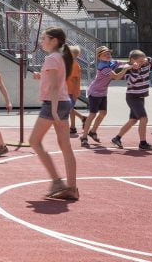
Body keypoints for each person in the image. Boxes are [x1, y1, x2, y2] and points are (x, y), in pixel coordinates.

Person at [29, 28, 78, 200]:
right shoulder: (61, 57)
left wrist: (55, 111)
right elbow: (55, 82)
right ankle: (72, 187)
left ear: (54, 40)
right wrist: (41, 76)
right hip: (64, 102)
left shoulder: (51, 58)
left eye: (44, 38)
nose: (41, 41)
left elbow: (55, 87)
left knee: (34, 141)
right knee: (65, 146)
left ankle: (57, 181)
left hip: (53, 104)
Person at [112, 50, 152, 151]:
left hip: (141, 97)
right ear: (133, 60)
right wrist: (135, 70)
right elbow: (132, 82)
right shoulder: (128, 69)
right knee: (144, 118)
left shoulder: (146, 65)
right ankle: (143, 143)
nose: (143, 62)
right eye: (140, 61)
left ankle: (117, 138)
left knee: (133, 120)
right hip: (133, 97)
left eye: (143, 60)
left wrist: (148, 59)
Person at [80, 45, 123, 148]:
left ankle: (93, 131)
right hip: (94, 92)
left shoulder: (110, 62)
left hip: (103, 92)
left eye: (109, 53)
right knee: (92, 114)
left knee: (103, 113)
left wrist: (131, 63)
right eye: (105, 54)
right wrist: (126, 69)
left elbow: (120, 63)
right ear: (99, 57)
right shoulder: (103, 66)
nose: (108, 55)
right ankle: (84, 137)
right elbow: (116, 77)